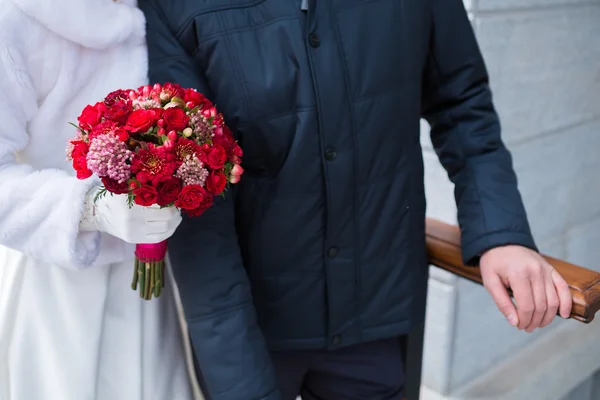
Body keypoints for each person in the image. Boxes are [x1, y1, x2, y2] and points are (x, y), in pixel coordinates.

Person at [140, 0, 573, 399]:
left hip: (379, 322)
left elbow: (461, 103)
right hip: (251, 328)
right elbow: (193, 194)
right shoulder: (173, 5)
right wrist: (240, 383)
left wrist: (501, 232)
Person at [0, 1, 196, 399]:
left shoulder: (162, 12)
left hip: (157, 282)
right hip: (53, 286)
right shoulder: (16, 18)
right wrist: (90, 207)